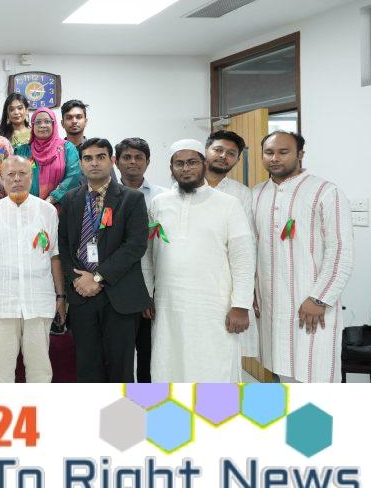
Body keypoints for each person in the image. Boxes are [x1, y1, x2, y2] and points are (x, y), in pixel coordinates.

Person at [144, 139, 255, 382]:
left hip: (214, 306)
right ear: (171, 168)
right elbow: (148, 254)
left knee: (213, 367)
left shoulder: (228, 204)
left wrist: (241, 305)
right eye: (179, 163)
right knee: (168, 363)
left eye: (192, 162)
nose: (186, 168)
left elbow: (243, 258)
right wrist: (147, 293)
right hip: (168, 304)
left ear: (204, 164)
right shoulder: (159, 203)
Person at [252, 131, 353, 382]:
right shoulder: (256, 194)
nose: (275, 158)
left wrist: (319, 298)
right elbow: (252, 248)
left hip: (311, 304)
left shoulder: (326, 192)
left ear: (300, 154)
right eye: (269, 152)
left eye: (283, 152)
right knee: (281, 372)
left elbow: (341, 251)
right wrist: (253, 292)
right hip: (271, 307)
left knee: (314, 374)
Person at [57, 138, 150, 383]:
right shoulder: (70, 199)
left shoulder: (131, 199)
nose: (94, 163)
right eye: (88, 158)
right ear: (80, 164)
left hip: (119, 295)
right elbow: (63, 245)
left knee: (120, 367)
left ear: (112, 161)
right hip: (82, 296)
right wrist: (77, 279)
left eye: (100, 157)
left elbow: (135, 245)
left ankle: (121, 410)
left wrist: (98, 277)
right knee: (87, 366)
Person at [0, 156, 63, 383]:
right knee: (1, 371)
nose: (17, 179)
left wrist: (61, 296)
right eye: (10, 175)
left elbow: (54, 255)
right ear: (1, 179)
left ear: (31, 177)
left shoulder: (47, 211)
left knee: (40, 371)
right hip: (1, 302)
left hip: (39, 300)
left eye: (22, 174)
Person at [114, 136, 166, 382]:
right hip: (116, 286)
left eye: (138, 157)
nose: (132, 162)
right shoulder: (106, 196)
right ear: (116, 162)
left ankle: (148, 400)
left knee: (149, 352)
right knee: (120, 355)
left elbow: (162, 248)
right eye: (127, 157)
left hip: (152, 286)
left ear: (148, 162)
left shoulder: (162, 198)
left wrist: (150, 292)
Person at [204, 130, 260, 359]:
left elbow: (247, 249)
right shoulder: (184, 186)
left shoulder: (241, 195)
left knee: (226, 353)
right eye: (218, 150)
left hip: (225, 284)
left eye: (231, 153)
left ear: (237, 160)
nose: (223, 156)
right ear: (206, 151)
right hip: (189, 284)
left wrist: (243, 299)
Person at [14, 107, 82, 205]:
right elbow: (14, 179)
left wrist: (51, 200)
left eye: (47, 121)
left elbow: (73, 176)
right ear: (32, 126)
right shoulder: (22, 151)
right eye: (38, 122)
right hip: (29, 207)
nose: (42, 125)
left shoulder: (67, 148)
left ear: (53, 124)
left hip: (60, 207)